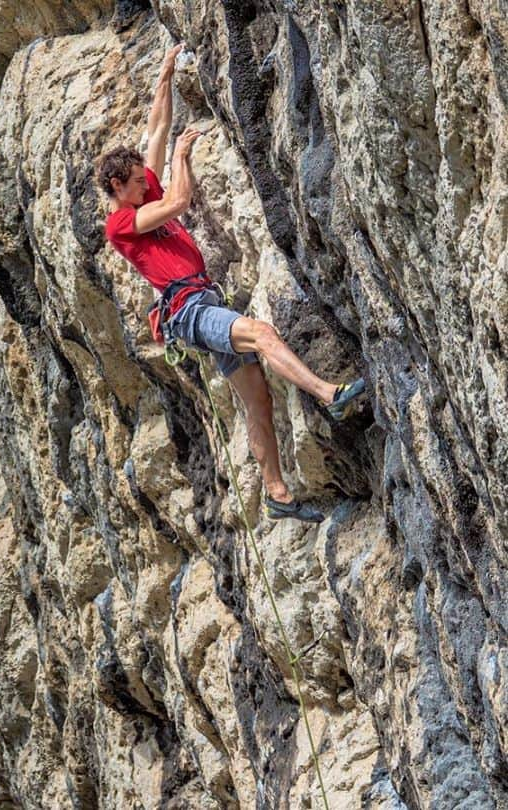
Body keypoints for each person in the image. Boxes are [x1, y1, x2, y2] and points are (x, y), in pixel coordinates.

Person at [97, 43, 366, 523]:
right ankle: (331, 397)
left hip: (202, 301)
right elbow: (180, 200)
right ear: (119, 187)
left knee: (257, 398)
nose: (146, 182)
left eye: (145, 177)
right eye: (138, 181)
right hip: (190, 312)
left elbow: (157, 125)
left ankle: (277, 494)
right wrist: (182, 157)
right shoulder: (121, 222)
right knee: (263, 334)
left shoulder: (140, 191)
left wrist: (163, 72)